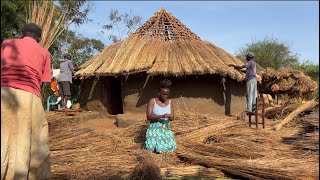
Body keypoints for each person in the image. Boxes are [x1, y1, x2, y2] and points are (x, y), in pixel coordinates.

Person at [1, 23, 52, 179]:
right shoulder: (44, 53)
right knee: (29, 141)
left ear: (21, 34)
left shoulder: (6, 43)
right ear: (39, 38)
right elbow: (43, 82)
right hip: (30, 96)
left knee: (3, 138)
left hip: (4, 93)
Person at [145, 79, 177, 154]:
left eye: (167, 95)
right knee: (151, 148)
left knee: (167, 149)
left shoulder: (170, 102)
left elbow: (172, 118)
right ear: (158, 93)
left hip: (165, 128)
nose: (165, 96)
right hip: (154, 128)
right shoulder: (153, 101)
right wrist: (162, 116)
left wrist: (170, 117)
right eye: (163, 94)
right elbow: (149, 117)